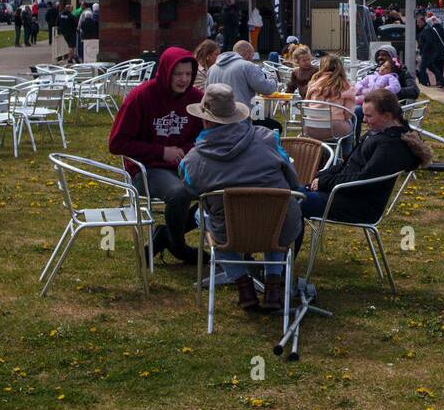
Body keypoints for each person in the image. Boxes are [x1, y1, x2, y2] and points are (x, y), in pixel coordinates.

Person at [180, 84, 302, 312]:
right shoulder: (268, 138)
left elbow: (192, 189)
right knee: (277, 212)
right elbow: (292, 178)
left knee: (201, 215)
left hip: (230, 232)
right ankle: (274, 283)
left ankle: (242, 283)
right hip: (279, 227)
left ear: (205, 120)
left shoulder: (193, 161)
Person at [108, 46, 205, 264]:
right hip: (147, 169)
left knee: (221, 189)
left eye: (189, 74)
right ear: (165, 71)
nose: (183, 80)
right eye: (178, 74)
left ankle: (166, 236)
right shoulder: (141, 97)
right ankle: (179, 247)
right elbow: (116, 143)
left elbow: (206, 135)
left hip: (185, 165)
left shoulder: (196, 97)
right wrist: (162, 152)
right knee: (179, 193)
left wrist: (187, 150)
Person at [298, 88, 430, 230]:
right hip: (342, 194)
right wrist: (321, 176)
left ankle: (281, 251)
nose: (364, 120)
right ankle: (281, 250)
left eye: (369, 116)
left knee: (289, 204)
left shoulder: (391, 146)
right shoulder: (378, 135)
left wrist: (325, 182)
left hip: (357, 205)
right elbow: (348, 164)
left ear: (386, 116)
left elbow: (364, 181)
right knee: (285, 193)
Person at [207, 40, 278, 109]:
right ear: (247, 54)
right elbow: (265, 89)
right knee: (268, 120)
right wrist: (273, 79)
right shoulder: (247, 66)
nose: (252, 59)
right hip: (239, 115)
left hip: (216, 116)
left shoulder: (212, 68)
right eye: (252, 55)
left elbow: (206, 93)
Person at [302, 54, 357, 141]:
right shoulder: (345, 85)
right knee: (351, 122)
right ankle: (347, 152)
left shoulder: (314, 83)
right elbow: (348, 113)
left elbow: (307, 104)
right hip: (335, 128)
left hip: (311, 127)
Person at [415, 13, 444, 88]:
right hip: (429, 52)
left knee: (422, 68)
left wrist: (423, 50)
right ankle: (443, 80)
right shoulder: (426, 28)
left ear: (422, 22)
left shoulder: (427, 29)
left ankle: (424, 83)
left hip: (428, 53)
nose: (417, 24)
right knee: (431, 67)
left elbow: (428, 42)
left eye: (418, 22)